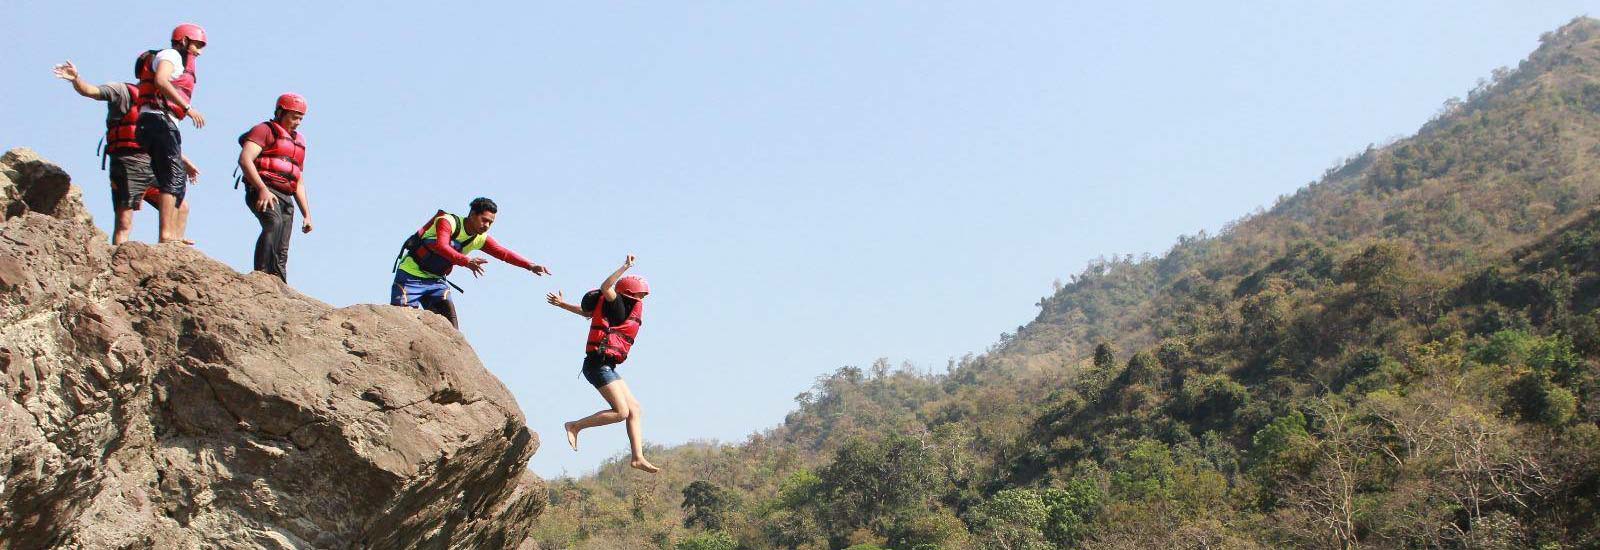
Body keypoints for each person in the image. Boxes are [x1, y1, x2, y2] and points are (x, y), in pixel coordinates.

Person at [52, 60, 198, 245]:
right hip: (127, 162)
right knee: (124, 223)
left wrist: (183, 160)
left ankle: (171, 248)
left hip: (151, 163)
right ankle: (118, 259)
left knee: (180, 206)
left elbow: (162, 141)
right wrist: (76, 79)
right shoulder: (122, 91)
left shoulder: (160, 102)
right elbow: (90, 91)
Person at [546, 255, 659, 473]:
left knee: (635, 409)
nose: (641, 299)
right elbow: (605, 286)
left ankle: (637, 457)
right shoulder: (614, 302)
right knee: (621, 412)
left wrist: (562, 305)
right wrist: (625, 267)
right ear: (628, 292)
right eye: (639, 294)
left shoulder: (624, 309)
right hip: (597, 365)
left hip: (608, 366)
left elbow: (586, 313)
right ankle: (575, 426)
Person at [391, 197, 551, 328]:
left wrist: (530, 265)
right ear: (472, 214)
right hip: (410, 277)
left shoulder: (479, 238)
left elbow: (503, 253)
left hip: (435, 282)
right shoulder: (447, 222)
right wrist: (466, 261)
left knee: (451, 331)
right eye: (484, 220)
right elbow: (441, 246)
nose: (487, 225)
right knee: (402, 325)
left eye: (491, 223)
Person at [134, 23, 207, 244]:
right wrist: (187, 108)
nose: (199, 52)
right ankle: (167, 236)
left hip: (158, 122)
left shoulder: (179, 59)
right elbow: (161, 80)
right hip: (158, 120)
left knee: (174, 177)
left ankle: (174, 235)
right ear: (183, 41)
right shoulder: (171, 55)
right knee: (173, 177)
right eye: (196, 45)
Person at [238, 94, 312, 281]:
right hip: (263, 189)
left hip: (286, 196)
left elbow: (298, 181)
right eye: (293, 117)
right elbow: (245, 159)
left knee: (283, 244)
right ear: (280, 113)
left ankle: (278, 281)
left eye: (300, 118)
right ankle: (261, 276)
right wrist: (262, 189)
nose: (297, 122)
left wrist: (307, 214)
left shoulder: (299, 141)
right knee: (273, 224)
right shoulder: (264, 130)